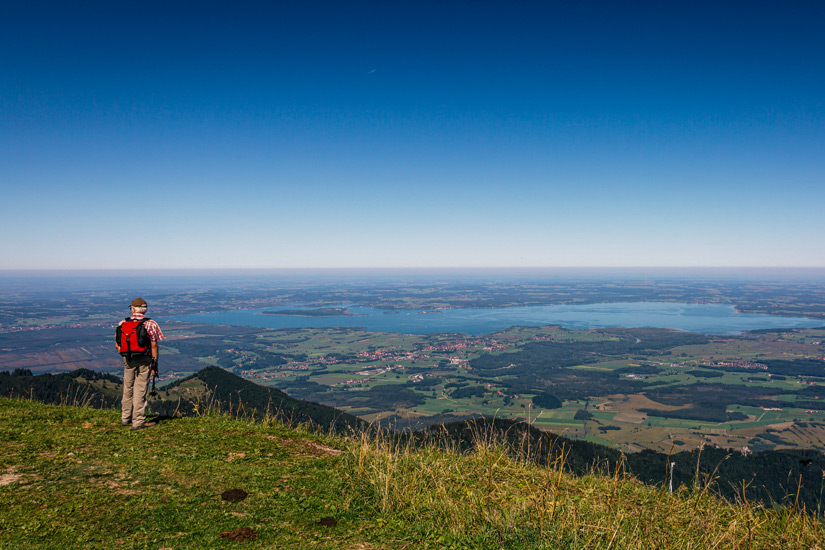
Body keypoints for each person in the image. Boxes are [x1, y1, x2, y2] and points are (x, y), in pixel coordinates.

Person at [115, 298, 164, 430]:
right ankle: (138, 421)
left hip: (128, 358)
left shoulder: (123, 323)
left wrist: (124, 354)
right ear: (145, 309)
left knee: (128, 387)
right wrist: (155, 362)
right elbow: (154, 345)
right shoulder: (151, 324)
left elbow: (117, 343)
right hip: (144, 358)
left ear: (132, 309)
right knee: (140, 388)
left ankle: (125, 418)